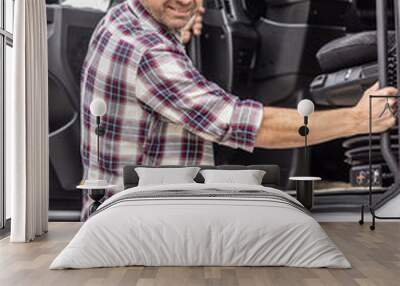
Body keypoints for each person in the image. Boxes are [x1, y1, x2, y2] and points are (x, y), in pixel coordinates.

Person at [80, 0, 398, 219]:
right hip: (139, 227)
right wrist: (358, 118)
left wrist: (178, 24)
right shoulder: (147, 51)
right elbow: (245, 124)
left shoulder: (123, 18)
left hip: (127, 210)